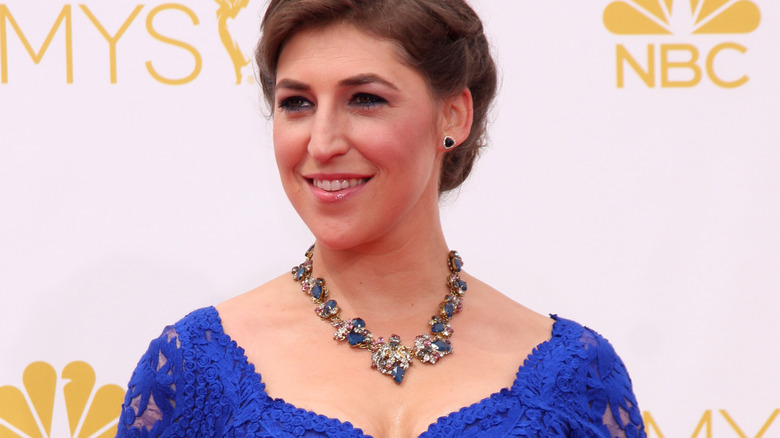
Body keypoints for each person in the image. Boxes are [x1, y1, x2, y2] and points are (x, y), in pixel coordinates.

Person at [116, 0, 646, 436]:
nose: (321, 143)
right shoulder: (194, 370)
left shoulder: (574, 374)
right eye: (297, 103)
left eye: (365, 99)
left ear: (453, 116)